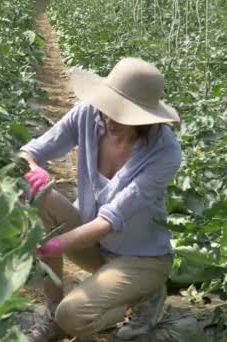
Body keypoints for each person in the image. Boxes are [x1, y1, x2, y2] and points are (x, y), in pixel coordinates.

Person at [18, 57, 182, 341]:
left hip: (140, 257)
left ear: (144, 119)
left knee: (73, 316)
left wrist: (51, 246)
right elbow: (29, 152)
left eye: (122, 114)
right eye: (108, 107)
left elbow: (108, 221)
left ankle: (145, 295)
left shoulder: (164, 152)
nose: (108, 118)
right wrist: (33, 171)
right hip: (94, 244)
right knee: (38, 195)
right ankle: (52, 313)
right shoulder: (88, 114)